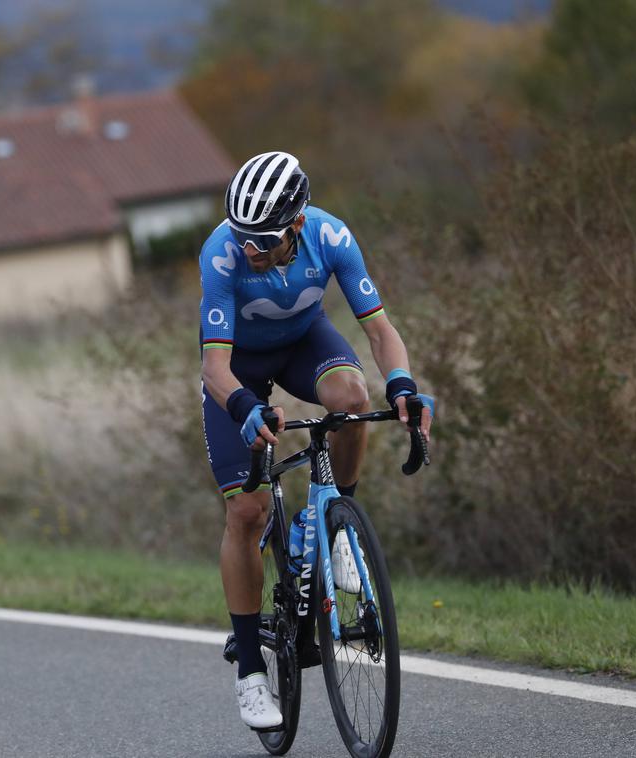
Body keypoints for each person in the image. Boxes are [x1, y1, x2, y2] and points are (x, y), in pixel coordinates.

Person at [199, 152, 433, 729]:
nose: (251, 249)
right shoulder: (222, 255)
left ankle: (337, 527)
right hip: (240, 373)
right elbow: (214, 369)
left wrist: (401, 383)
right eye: (244, 237)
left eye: (265, 239)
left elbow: (379, 330)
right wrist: (245, 407)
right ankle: (251, 669)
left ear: (297, 224)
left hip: (306, 343)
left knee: (353, 400)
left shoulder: (330, 235)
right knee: (248, 513)